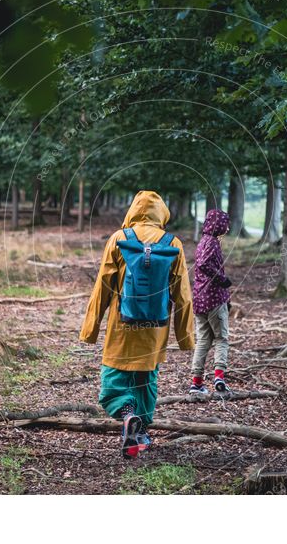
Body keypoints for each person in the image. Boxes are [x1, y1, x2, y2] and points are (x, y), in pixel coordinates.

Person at [79, 190, 195, 458]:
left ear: (132, 211)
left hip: (123, 325)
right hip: (155, 328)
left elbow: (102, 289)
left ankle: (127, 416)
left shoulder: (119, 239)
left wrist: (90, 329)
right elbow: (183, 296)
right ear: (162, 214)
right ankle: (139, 433)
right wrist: (186, 338)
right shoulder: (173, 243)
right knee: (146, 379)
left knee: (114, 380)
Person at [189, 208, 233, 395]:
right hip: (213, 299)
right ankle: (219, 377)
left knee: (203, 340)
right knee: (221, 338)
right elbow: (204, 265)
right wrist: (222, 281)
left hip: (200, 299)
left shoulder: (203, 241)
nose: (228, 227)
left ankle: (197, 383)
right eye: (225, 224)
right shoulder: (212, 242)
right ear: (219, 225)